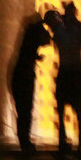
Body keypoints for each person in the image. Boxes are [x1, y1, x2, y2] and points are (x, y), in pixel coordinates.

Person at [45, 1, 81, 152]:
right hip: (70, 68)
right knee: (67, 107)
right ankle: (70, 139)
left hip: (69, 68)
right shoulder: (66, 28)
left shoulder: (68, 28)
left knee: (74, 107)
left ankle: (75, 138)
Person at [9, 12, 51, 151]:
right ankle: (24, 141)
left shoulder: (28, 34)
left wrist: (36, 57)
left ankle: (24, 139)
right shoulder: (33, 32)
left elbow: (29, 50)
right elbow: (46, 40)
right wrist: (47, 25)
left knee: (24, 110)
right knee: (25, 109)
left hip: (21, 74)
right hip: (24, 75)